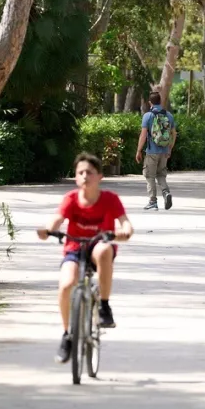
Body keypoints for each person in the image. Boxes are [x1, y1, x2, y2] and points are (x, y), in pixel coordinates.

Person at [37, 152, 134, 363]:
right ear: (75, 177)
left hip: (99, 245)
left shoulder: (110, 199)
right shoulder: (71, 198)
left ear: (99, 176)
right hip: (74, 247)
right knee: (66, 285)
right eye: (80, 173)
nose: (84, 177)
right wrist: (47, 230)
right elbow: (57, 219)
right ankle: (67, 335)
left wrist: (124, 232)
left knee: (104, 250)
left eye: (89, 173)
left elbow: (125, 223)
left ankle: (104, 306)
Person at [135, 90, 175, 210]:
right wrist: (169, 148)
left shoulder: (148, 116)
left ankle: (153, 201)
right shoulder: (169, 115)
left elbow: (143, 135)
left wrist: (138, 151)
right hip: (164, 152)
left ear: (150, 102)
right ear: (160, 101)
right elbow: (174, 133)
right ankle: (166, 192)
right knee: (161, 175)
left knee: (150, 176)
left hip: (152, 151)